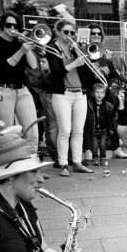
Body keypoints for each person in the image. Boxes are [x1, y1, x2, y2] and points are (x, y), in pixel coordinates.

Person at [45, 19, 95, 176]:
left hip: (80, 93)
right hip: (62, 94)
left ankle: (78, 162)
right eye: (66, 32)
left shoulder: (76, 48)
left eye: (72, 32)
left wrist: (81, 55)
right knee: (65, 130)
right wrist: (74, 64)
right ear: (58, 32)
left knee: (78, 130)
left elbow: (88, 74)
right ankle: (63, 164)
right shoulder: (52, 48)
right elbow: (55, 72)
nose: (69, 35)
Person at [0, 12, 39, 146]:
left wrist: (27, 47)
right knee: (6, 132)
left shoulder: (19, 43)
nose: (12, 28)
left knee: (32, 129)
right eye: (8, 25)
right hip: (2, 90)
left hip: (22, 89)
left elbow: (34, 65)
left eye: (16, 26)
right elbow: (5, 67)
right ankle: (8, 164)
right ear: (2, 26)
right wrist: (22, 51)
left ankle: (31, 161)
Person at [84, 83, 114, 170]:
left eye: (102, 92)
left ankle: (103, 158)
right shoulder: (89, 104)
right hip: (93, 129)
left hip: (104, 129)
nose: (99, 94)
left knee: (102, 144)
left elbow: (111, 118)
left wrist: (111, 128)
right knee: (94, 144)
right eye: (97, 92)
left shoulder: (108, 106)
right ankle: (95, 158)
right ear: (93, 93)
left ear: (105, 94)